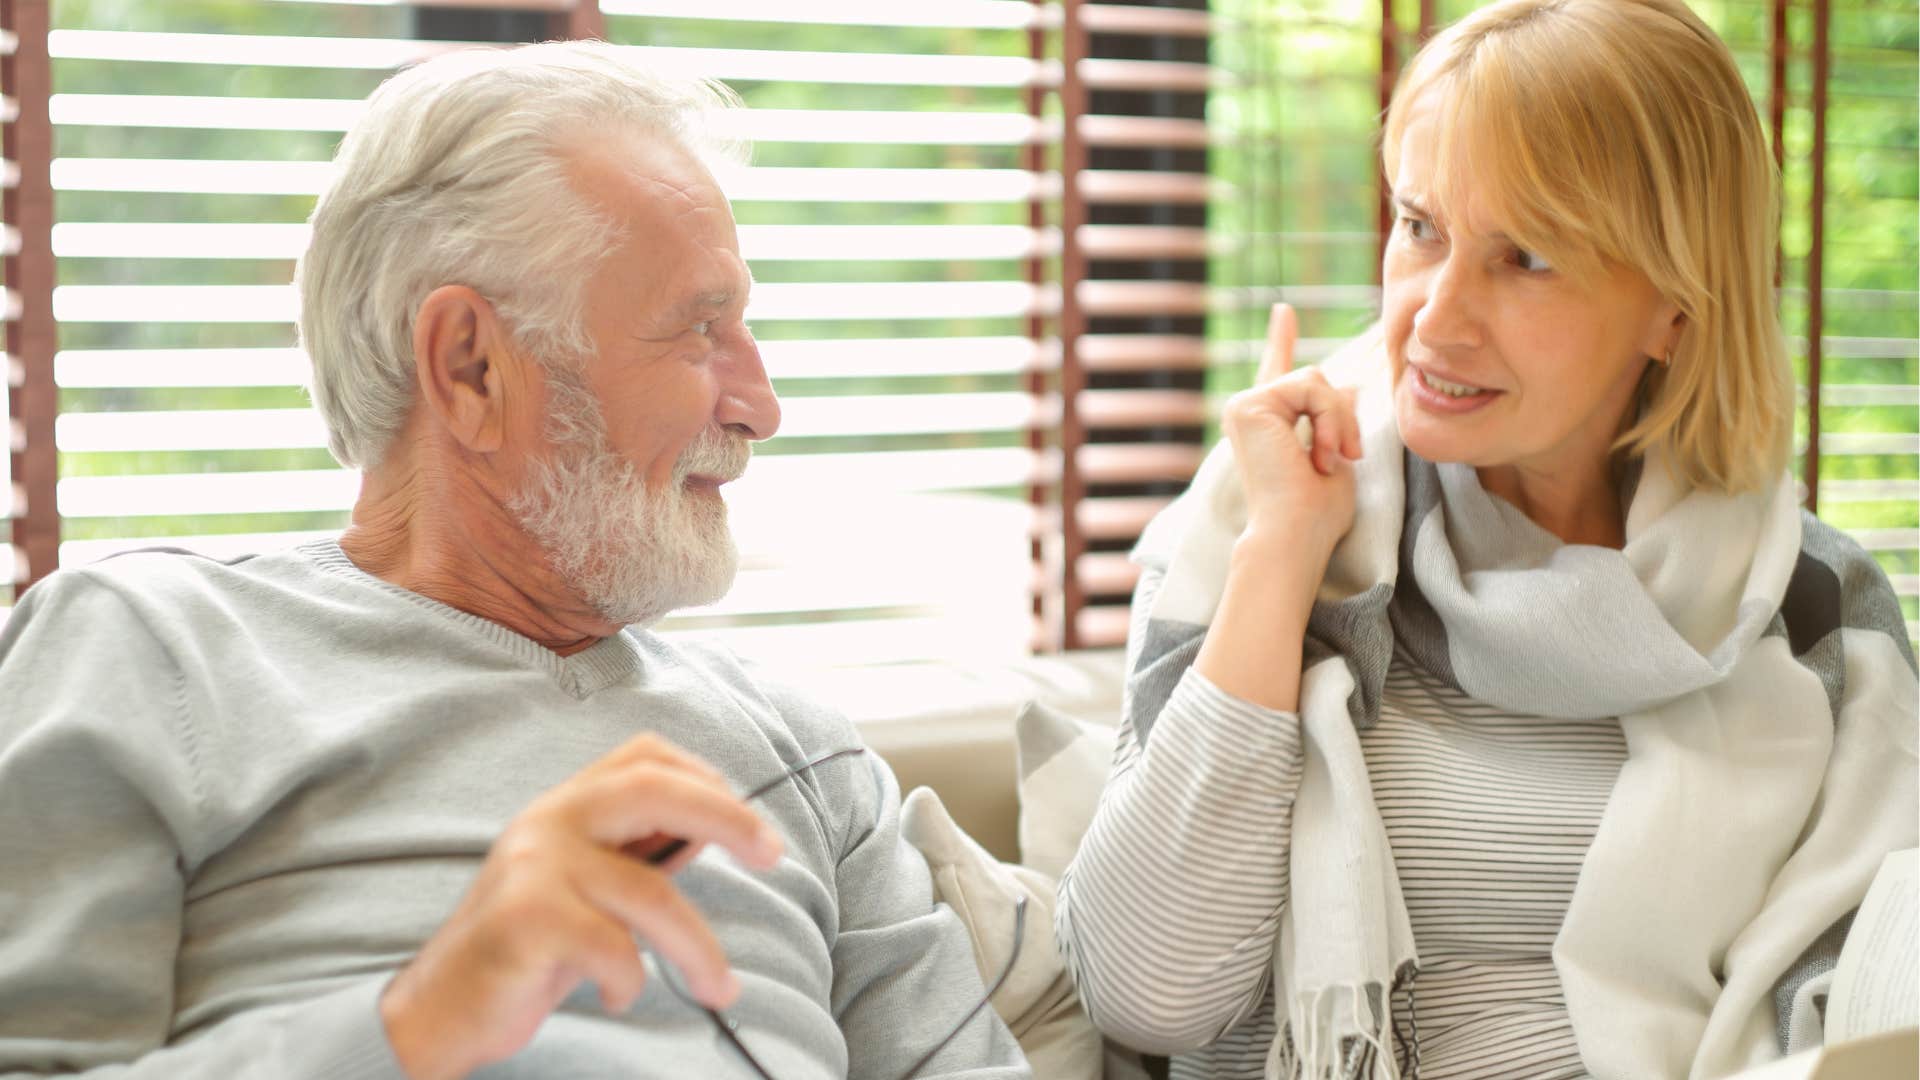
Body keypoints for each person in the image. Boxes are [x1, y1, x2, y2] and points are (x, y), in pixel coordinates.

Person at [0, 42, 1028, 1080]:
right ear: (471, 366)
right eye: (696, 329)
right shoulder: (145, 647)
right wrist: (421, 1018)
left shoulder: (805, 753)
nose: (760, 406)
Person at [1053, 1, 1917, 1078]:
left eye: (1528, 258)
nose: (1435, 316)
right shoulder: (1270, 515)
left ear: (1676, 311)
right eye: (1420, 227)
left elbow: (1869, 1007)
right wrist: (1283, 550)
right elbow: (1148, 990)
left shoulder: (1811, 606)